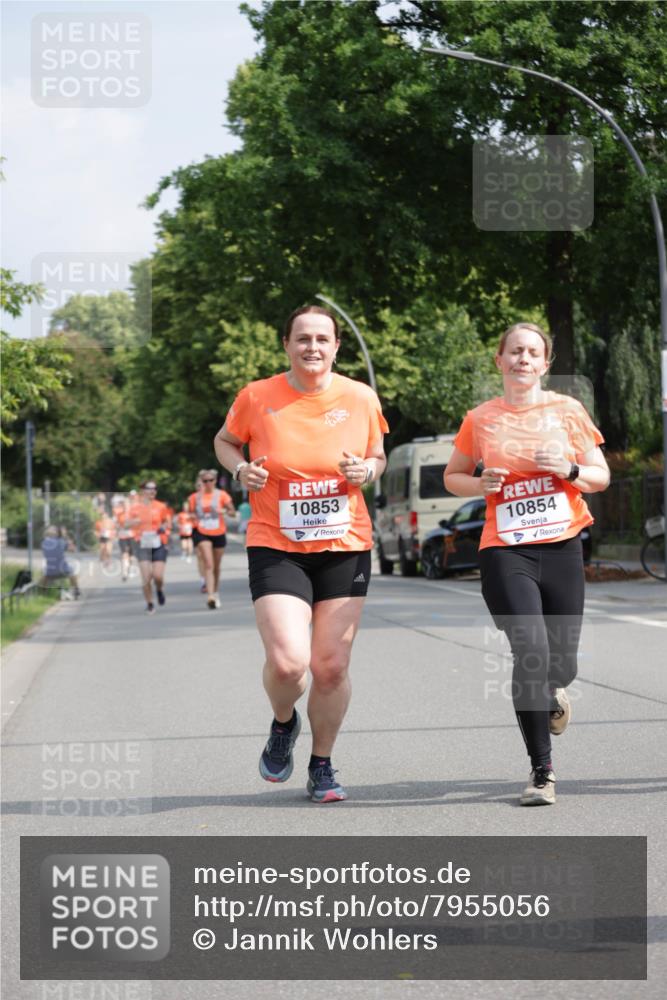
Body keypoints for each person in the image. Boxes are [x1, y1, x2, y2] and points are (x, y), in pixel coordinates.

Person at [214, 304, 388, 803]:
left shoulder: (359, 397)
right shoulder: (257, 396)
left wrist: (368, 473)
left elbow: (377, 454)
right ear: (286, 344)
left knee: (330, 665)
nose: (313, 347)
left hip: (345, 544)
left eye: (322, 339)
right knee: (291, 665)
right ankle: (284, 723)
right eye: (303, 338)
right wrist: (239, 470)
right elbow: (226, 441)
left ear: (337, 346)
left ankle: (322, 765)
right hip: (277, 542)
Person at [445, 321, 610, 806]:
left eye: (532, 352)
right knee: (531, 652)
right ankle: (542, 772)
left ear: (545, 364)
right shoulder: (480, 419)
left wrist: (571, 470)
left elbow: (600, 476)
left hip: (561, 545)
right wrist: (481, 484)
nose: (523, 359)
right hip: (506, 549)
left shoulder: (567, 411)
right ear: (499, 361)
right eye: (514, 351)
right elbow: (454, 476)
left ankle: (553, 693)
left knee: (563, 663)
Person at [188, 470, 235, 609]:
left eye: (211, 480)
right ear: (201, 482)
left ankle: (215, 592)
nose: (208, 483)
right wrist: (192, 517)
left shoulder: (222, 495)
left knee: (216, 566)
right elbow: (190, 513)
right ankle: (210, 596)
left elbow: (232, 512)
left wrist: (224, 512)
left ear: (215, 481)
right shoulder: (194, 497)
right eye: (205, 481)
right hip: (202, 531)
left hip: (218, 531)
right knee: (208, 563)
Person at [126, 481, 171, 614]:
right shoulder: (135, 508)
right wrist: (134, 522)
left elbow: (167, 522)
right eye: (149, 489)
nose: (152, 491)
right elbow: (126, 523)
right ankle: (150, 603)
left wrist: (164, 527)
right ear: (142, 491)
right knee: (146, 577)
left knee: (157, 576)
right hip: (142, 544)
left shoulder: (161, 506)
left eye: (154, 489)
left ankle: (159, 589)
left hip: (158, 543)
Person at [40, 526, 80, 597]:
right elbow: (73, 550)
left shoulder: (44, 543)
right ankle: (76, 590)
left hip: (50, 572)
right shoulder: (61, 541)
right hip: (63, 570)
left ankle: (43, 592)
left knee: (44, 573)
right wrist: (67, 538)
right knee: (74, 571)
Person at [113, 497, 135, 581]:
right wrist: (118, 528)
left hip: (132, 536)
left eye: (126, 504)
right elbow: (116, 525)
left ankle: (131, 568)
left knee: (131, 555)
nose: (125, 505)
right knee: (124, 554)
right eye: (123, 504)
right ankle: (125, 573)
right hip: (122, 536)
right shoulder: (119, 514)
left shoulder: (133, 514)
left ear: (129, 504)